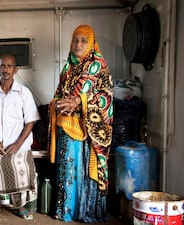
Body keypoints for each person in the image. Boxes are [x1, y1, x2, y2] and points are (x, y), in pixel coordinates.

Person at [48, 24, 113, 223]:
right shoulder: (68, 66)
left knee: (82, 171)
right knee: (67, 170)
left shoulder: (97, 63)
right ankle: (67, 211)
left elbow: (105, 96)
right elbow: (59, 93)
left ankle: (84, 211)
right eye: (75, 40)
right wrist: (58, 105)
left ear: (91, 43)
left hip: (87, 131)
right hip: (66, 126)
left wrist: (78, 102)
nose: (78, 44)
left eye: (83, 40)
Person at [0, 54, 40, 220]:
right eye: (2, 66)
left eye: (9, 66)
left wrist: (18, 144)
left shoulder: (24, 92)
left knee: (21, 165)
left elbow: (30, 122)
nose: (5, 69)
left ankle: (19, 205)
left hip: (19, 142)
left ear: (15, 70)